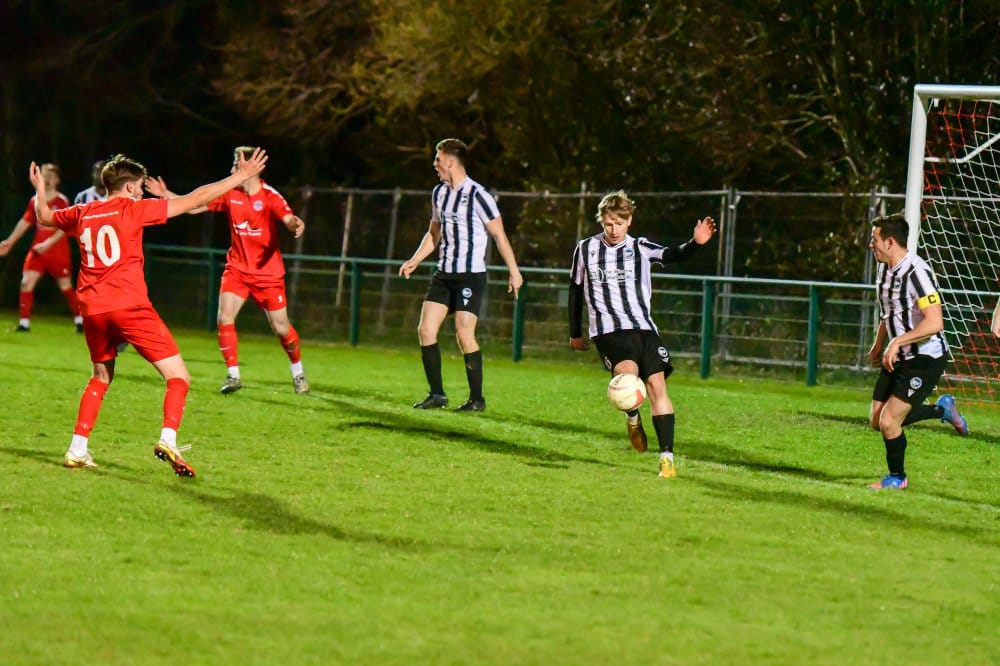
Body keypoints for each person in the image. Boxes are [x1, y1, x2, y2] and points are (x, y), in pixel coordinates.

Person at [29, 148, 269, 475]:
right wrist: (239, 177)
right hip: (129, 307)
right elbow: (194, 199)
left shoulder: (82, 212)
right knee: (179, 377)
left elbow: (44, 217)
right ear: (129, 187)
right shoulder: (134, 209)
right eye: (140, 186)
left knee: (100, 377)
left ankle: (77, 449)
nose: (142, 192)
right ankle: (168, 439)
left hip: (93, 310)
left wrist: (39, 189)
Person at [568, 190, 716, 478]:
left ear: (629, 221)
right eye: (608, 224)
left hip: (644, 328)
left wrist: (696, 244)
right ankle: (633, 416)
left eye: (619, 223)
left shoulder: (640, 247)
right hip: (609, 331)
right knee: (627, 377)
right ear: (601, 221)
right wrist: (575, 333)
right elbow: (575, 289)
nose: (614, 230)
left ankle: (667, 459)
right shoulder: (585, 249)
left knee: (657, 386)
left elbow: (672, 255)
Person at [143, 146, 309, 395]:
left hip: (268, 275)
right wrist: (165, 194)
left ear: (253, 167)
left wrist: (296, 224)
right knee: (224, 317)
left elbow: (288, 219)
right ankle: (233, 376)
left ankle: (298, 372)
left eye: (236, 164)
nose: (232, 170)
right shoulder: (230, 193)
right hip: (237, 270)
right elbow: (194, 206)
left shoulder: (270, 196)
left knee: (281, 327)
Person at [398, 138, 523, 412]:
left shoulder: (479, 195)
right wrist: (414, 260)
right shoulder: (439, 193)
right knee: (425, 330)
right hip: (444, 275)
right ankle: (437, 395)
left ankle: (476, 400)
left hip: (470, 277)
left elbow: (499, 236)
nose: (435, 165)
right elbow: (433, 233)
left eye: (438, 160)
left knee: (464, 334)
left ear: (451, 162)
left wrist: (514, 272)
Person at [866, 212, 968, 491]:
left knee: (889, 422)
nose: (870, 245)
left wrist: (896, 342)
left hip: (925, 358)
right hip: (899, 355)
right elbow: (890, 313)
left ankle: (897, 478)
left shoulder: (917, 272)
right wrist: (879, 342)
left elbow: (935, 323)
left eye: (874, 240)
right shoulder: (884, 269)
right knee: (877, 421)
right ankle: (941, 409)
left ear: (890, 242)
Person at [0, 163, 83, 333]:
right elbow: (25, 222)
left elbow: (66, 227)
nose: (47, 178)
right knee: (26, 283)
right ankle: (24, 323)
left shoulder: (61, 201)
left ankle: (80, 320)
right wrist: (9, 241)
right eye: (44, 175)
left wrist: (48, 243)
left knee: (65, 287)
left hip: (57, 250)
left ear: (57, 179)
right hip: (37, 250)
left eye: (51, 175)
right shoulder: (35, 200)